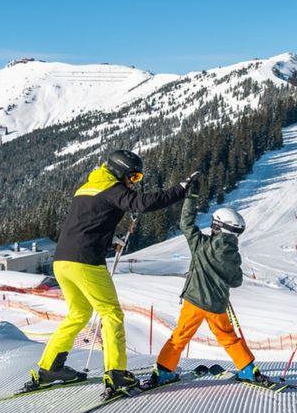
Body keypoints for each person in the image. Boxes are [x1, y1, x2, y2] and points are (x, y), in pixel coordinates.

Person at [33, 150, 197, 392]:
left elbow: (86, 224)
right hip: (85, 262)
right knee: (111, 315)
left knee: (78, 314)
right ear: (120, 171)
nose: (134, 182)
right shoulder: (113, 189)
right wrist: (181, 190)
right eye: (134, 177)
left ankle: (50, 368)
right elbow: (144, 203)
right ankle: (116, 373)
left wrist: (110, 241)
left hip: (62, 261)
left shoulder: (88, 187)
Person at [152, 184, 270, 386]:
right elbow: (237, 281)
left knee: (180, 337)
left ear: (217, 227)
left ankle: (164, 372)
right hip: (217, 306)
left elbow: (186, 224)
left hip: (194, 302)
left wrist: (191, 197)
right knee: (229, 338)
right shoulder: (234, 256)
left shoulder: (201, 244)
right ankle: (249, 371)